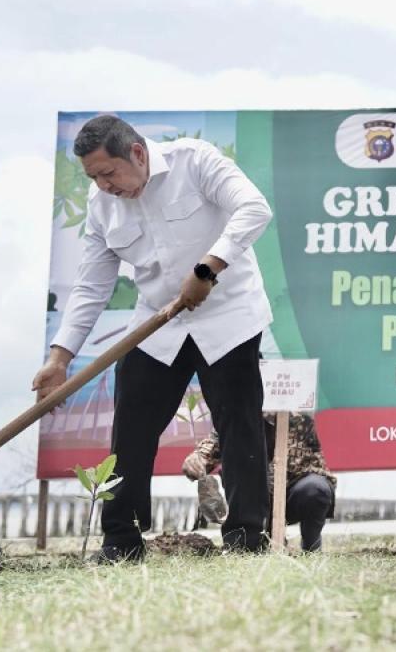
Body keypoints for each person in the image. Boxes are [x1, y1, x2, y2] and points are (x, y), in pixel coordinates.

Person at [32, 115, 274, 561]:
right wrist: (59, 358)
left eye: (109, 172)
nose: (104, 185)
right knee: (132, 428)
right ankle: (122, 541)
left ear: (138, 154)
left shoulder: (195, 161)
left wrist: (207, 269)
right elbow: (91, 285)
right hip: (158, 323)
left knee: (239, 426)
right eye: (94, 177)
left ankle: (246, 540)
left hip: (229, 316)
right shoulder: (102, 204)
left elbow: (254, 208)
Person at [183, 412, 336, 552]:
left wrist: (277, 476)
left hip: (292, 493)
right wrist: (196, 461)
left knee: (316, 488)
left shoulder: (299, 419)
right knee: (244, 479)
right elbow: (209, 450)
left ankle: (311, 546)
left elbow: (319, 472)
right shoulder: (238, 415)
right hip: (251, 498)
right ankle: (245, 545)